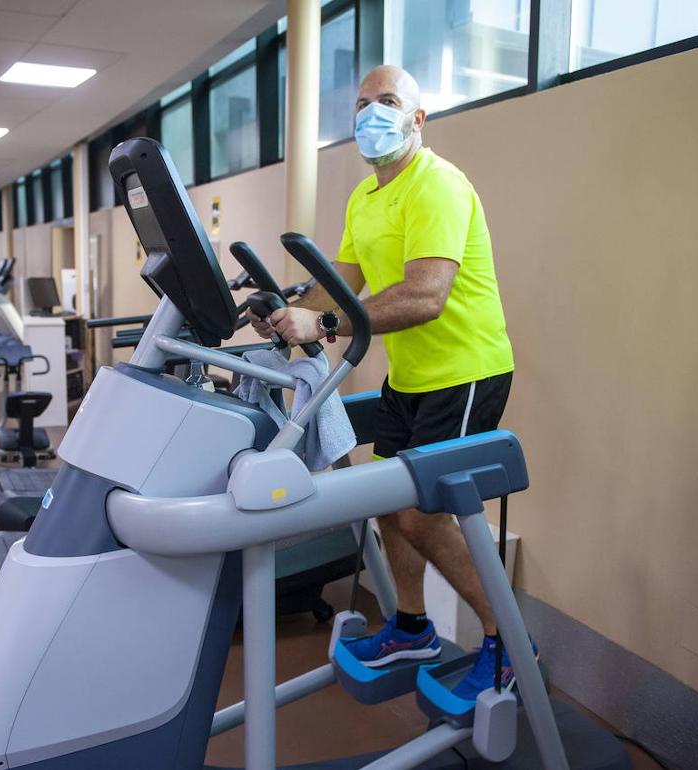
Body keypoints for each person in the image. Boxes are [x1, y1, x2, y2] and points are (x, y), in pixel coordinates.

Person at [247, 66, 520, 700]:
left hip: (467, 372)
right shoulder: (366, 198)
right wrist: (287, 318)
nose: (373, 112)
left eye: (389, 102)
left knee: (421, 517)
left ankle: (505, 640)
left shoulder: (438, 185)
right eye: (364, 103)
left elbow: (427, 295)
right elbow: (336, 288)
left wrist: (329, 322)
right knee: (387, 505)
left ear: (417, 119)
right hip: (412, 375)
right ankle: (411, 626)